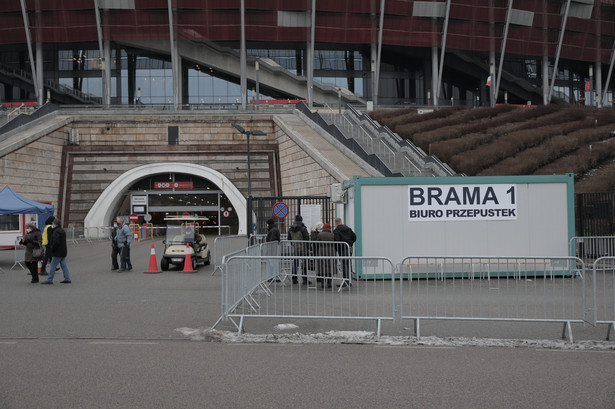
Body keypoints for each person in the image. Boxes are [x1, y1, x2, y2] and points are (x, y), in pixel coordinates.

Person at [41, 218, 71, 284]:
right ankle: (67, 278)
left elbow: (56, 242)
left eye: (53, 224)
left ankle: (49, 279)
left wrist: (52, 249)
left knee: (52, 266)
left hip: (57, 251)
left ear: (55, 224)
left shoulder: (56, 231)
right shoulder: (62, 230)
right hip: (63, 250)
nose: (52, 225)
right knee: (64, 266)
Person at [287, 214, 310, 285]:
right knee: (304, 264)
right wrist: (309, 248)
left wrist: (293, 245)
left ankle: (294, 278)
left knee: (295, 264)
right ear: (301, 220)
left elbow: (289, 239)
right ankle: (304, 279)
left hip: (296, 248)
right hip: (304, 249)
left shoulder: (291, 229)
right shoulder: (303, 229)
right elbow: (307, 239)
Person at [334, 217, 356, 288]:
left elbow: (336, 241)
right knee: (349, 264)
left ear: (335, 223)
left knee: (344, 265)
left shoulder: (336, 231)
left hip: (342, 250)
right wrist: (350, 243)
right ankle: (349, 280)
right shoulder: (348, 229)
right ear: (341, 221)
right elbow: (354, 237)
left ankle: (345, 281)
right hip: (349, 248)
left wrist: (338, 249)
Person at [316, 223, 335, 288]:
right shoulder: (332, 234)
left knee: (322, 267)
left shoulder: (320, 234)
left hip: (321, 252)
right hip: (331, 252)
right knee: (330, 267)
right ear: (329, 228)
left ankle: (323, 283)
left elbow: (317, 243)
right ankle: (329, 283)